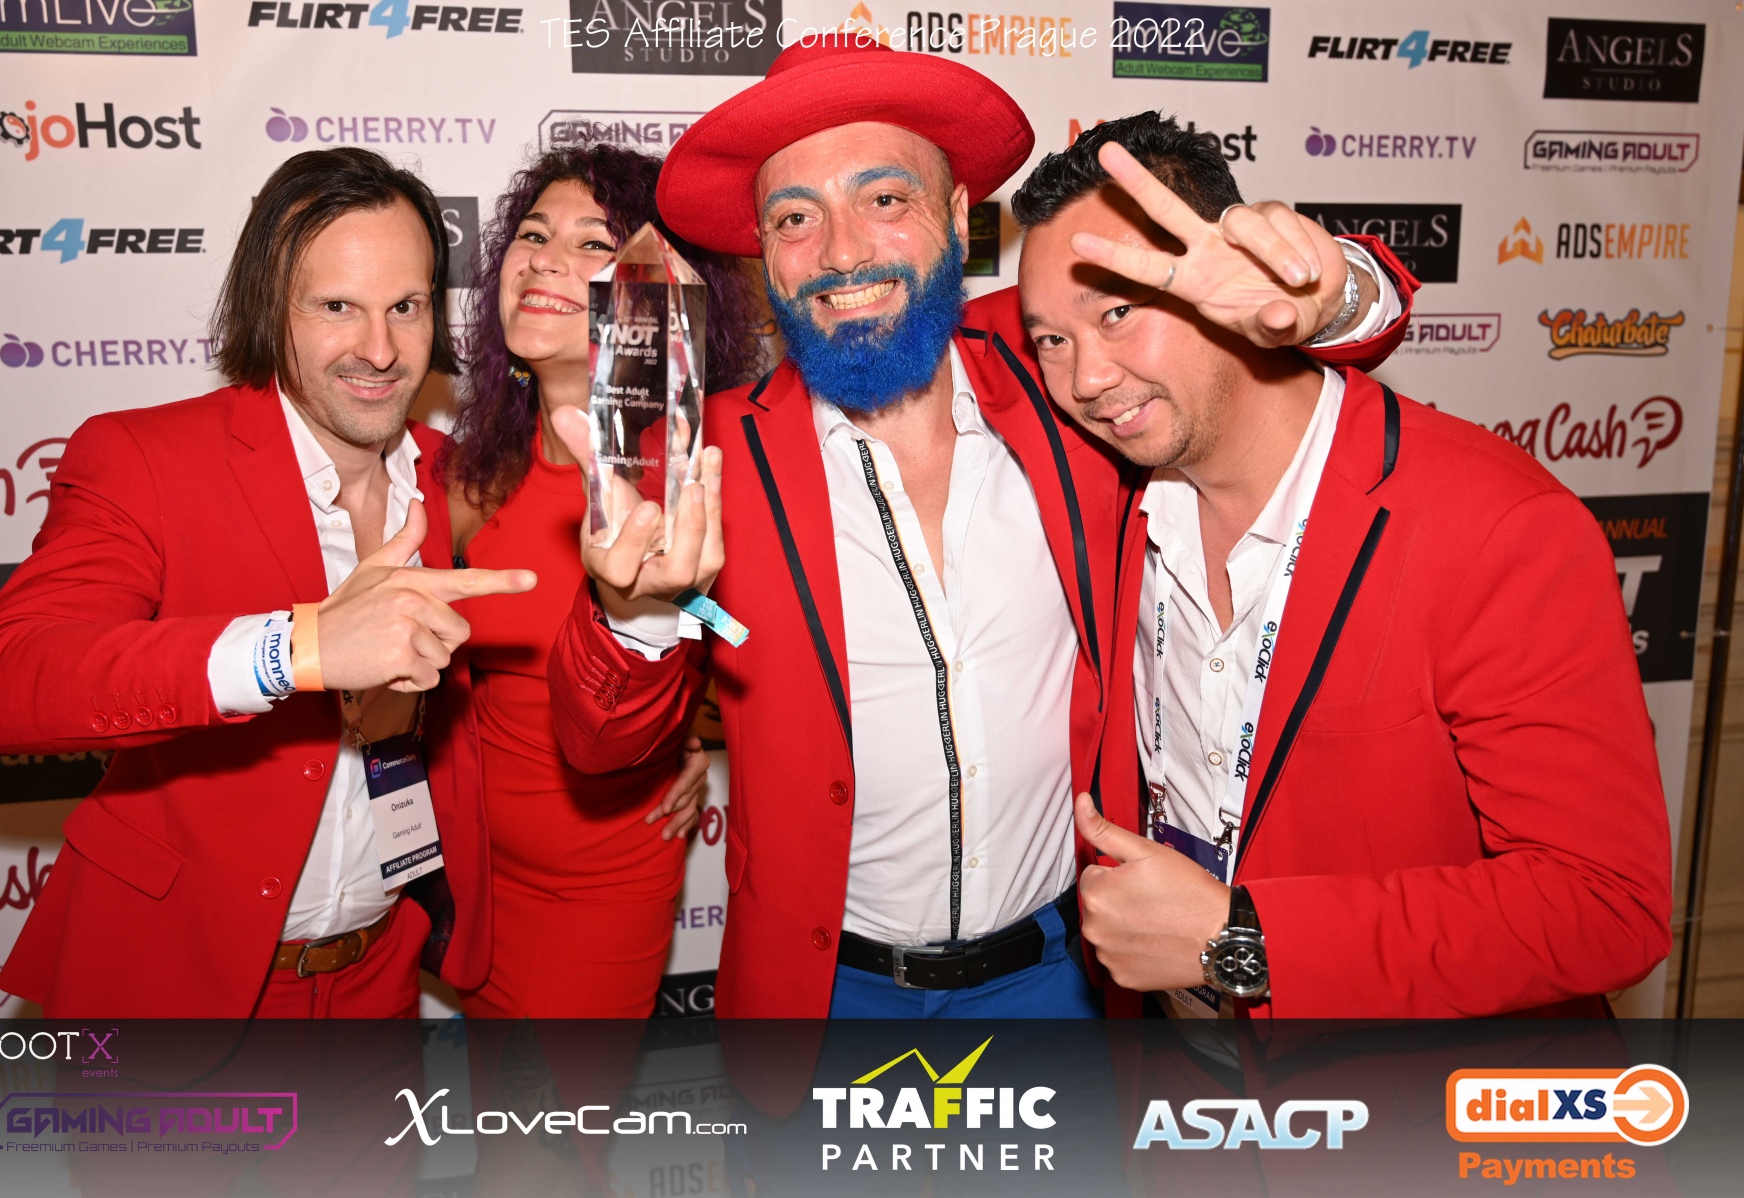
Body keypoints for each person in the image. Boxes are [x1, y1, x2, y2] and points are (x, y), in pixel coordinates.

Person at [546, 37, 1414, 1018]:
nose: (841, 252)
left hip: (1066, 978)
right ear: (762, 253)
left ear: (958, 216)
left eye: (884, 198)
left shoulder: (1063, 368)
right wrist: (637, 614)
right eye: (795, 217)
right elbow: (599, 747)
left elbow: (1335, 340)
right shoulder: (710, 458)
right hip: (827, 998)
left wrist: (1329, 294)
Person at [1012, 114, 1672, 1017]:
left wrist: (1245, 941)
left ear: (1229, 279)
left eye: (1118, 313)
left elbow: (1605, 908)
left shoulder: (1495, 528)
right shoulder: (1114, 496)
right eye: (1051, 340)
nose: (1085, 378)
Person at [0, 147, 536, 1017]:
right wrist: (296, 648)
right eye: (337, 306)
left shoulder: (456, 476)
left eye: (405, 307)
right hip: (172, 986)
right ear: (270, 307)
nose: (380, 349)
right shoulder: (144, 457)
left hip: (378, 979)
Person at [444, 144, 763, 1019]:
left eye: (594, 243)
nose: (545, 258)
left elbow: (744, 637)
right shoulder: (466, 473)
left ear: (652, 296)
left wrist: (672, 721)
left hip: (596, 889)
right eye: (533, 233)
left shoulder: (699, 482)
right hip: (465, 873)